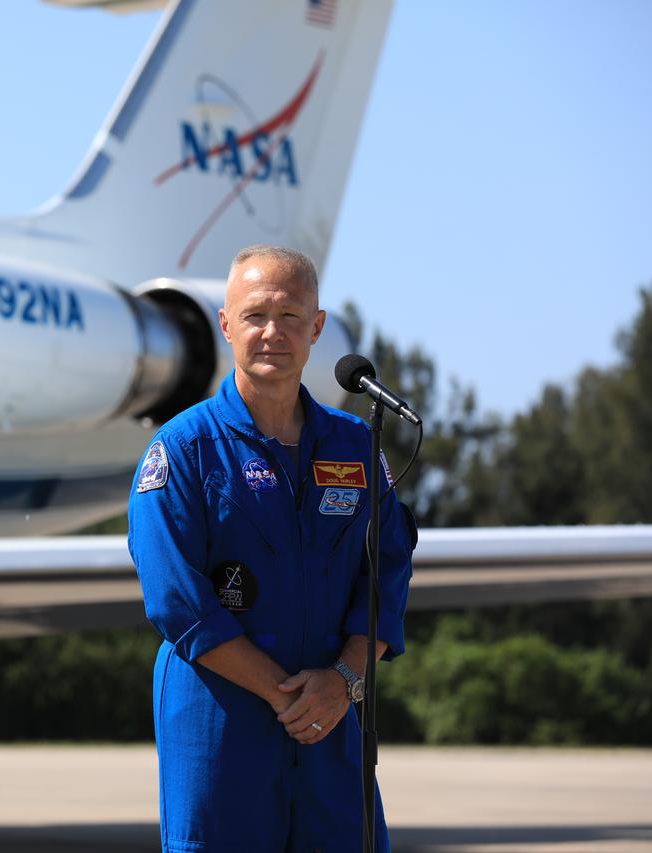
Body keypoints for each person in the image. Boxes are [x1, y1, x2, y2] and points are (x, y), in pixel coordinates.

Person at [127, 245, 415, 852]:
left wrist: (341, 683)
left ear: (317, 330)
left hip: (333, 721)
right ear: (226, 325)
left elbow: (385, 577)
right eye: (255, 315)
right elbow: (178, 601)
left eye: (290, 317)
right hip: (220, 723)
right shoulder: (182, 451)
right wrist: (286, 697)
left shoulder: (357, 447)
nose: (272, 333)